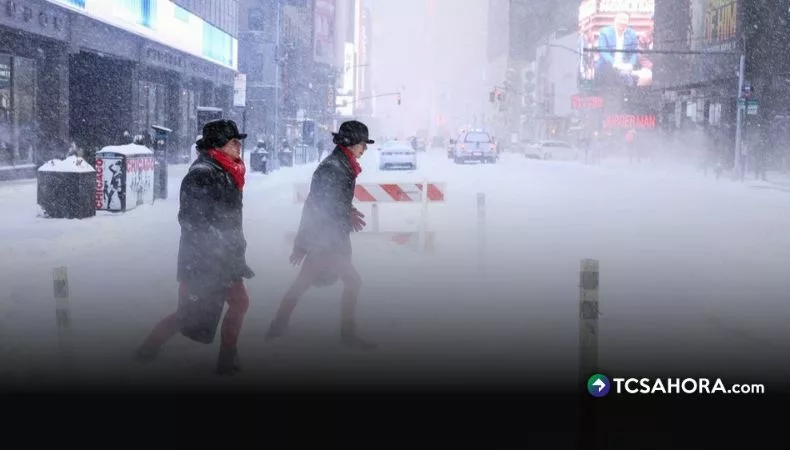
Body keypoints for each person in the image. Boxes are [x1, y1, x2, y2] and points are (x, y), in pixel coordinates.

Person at [135, 119, 255, 375]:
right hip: (203, 261)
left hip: (227, 260)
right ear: (219, 144)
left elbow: (229, 218)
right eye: (234, 141)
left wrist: (234, 251)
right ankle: (147, 349)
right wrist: (217, 248)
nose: (238, 146)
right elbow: (191, 220)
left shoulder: (228, 170)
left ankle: (227, 359)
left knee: (240, 303)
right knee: (187, 316)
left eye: (238, 141)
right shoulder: (203, 173)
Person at [265, 120, 376, 350]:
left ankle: (278, 326)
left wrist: (347, 212)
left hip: (325, 238)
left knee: (303, 283)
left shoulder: (342, 164)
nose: (364, 149)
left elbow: (331, 203)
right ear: (351, 143)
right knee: (353, 282)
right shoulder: (334, 167)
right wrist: (304, 243)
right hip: (326, 240)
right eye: (363, 144)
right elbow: (319, 205)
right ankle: (347, 334)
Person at [595, 12, 639, 88]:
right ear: (614, 21)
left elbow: (634, 51)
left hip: (624, 66)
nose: (622, 22)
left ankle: (627, 93)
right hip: (607, 65)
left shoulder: (632, 34)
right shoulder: (604, 32)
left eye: (625, 20)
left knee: (625, 75)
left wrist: (631, 64)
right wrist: (615, 63)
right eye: (620, 20)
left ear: (628, 23)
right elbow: (603, 51)